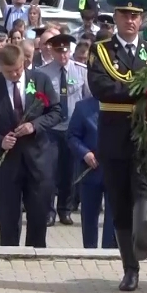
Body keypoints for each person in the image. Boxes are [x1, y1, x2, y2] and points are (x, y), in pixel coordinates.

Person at [86, 0, 147, 291]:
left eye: (136, 15)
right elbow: (101, 87)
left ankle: (144, 235)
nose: (131, 20)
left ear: (142, 20)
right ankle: (131, 268)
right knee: (119, 202)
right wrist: (142, 89)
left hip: (144, 134)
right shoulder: (101, 50)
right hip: (114, 135)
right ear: (115, 17)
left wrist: (129, 87)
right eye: (125, 15)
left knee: (144, 190)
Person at [0, 45, 62, 247]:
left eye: (18, 70)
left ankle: (35, 254)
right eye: (9, 71)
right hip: (6, 161)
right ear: (1, 67)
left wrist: (34, 125)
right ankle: (10, 255)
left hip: (37, 158)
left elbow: (56, 111)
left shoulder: (40, 80)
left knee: (38, 214)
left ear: (24, 63)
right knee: (8, 216)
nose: (14, 74)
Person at [38, 34, 89, 227]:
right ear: (51, 50)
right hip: (51, 128)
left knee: (69, 173)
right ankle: (48, 211)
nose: (63, 54)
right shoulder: (43, 73)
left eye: (66, 50)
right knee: (49, 172)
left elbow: (87, 99)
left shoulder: (81, 71)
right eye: (59, 51)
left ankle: (65, 210)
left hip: (72, 128)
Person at [67, 95, 116, 248]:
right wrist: (85, 153)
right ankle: (89, 250)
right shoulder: (82, 107)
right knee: (89, 216)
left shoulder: (121, 104)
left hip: (114, 170)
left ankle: (109, 250)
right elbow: (72, 136)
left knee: (113, 216)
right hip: (89, 171)